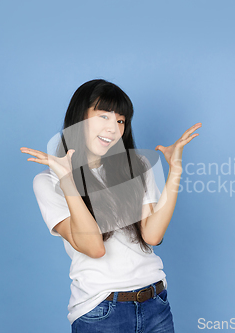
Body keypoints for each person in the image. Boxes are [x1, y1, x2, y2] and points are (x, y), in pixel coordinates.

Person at [20, 79, 201, 332]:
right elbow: (94, 247)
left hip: (155, 303)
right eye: (103, 116)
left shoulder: (137, 165)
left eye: (120, 120)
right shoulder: (48, 181)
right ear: (79, 118)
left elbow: (152, 235)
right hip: (101, 311)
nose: (113, 128)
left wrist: (175, 170)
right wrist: (68, 180)